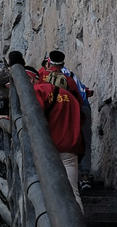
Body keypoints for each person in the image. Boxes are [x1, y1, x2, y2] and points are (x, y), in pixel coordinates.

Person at [40, 49, 94, 189]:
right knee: (83, 142)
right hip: (80, 110)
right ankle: (84, 177)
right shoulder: (70, 76)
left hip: (61, 114)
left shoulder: (42, 75)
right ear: (63, 63)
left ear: (48, 62)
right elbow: (81, 95)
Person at [32, 70, 84, 209]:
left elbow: (33, 114)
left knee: (47, 189)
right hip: (70, 148)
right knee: (73, 191)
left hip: (50, 147)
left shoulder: (42, 90)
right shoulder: (72, 98)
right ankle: (79, 226)